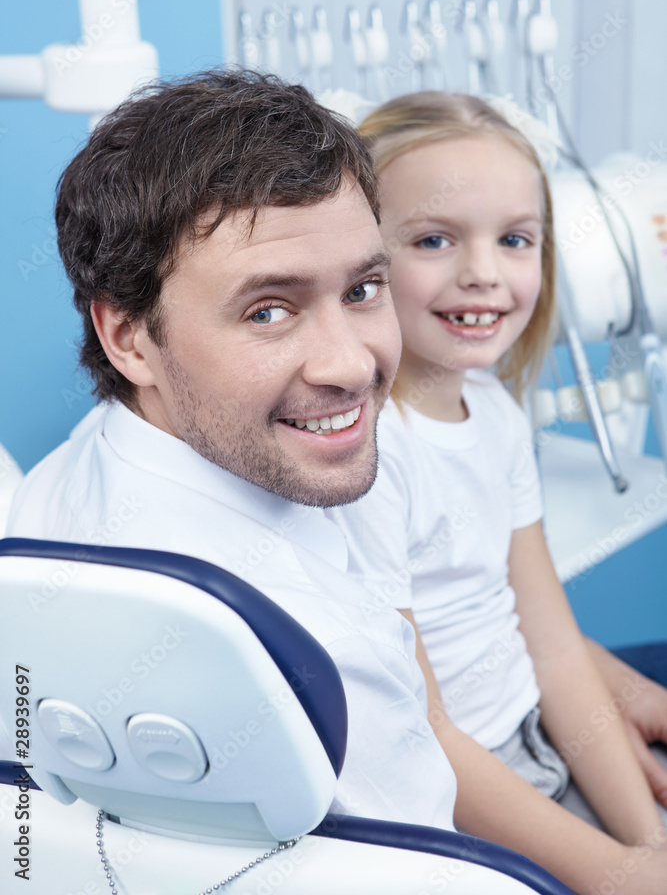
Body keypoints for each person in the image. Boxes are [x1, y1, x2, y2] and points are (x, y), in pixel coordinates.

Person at [5, 70, 458, 831]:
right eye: (268, 311)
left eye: (362, 290)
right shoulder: (318, 657)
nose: (348, 364)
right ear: (128, 337)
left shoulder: (92, 461)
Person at [328, 91, 667, 893]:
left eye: (514, 239)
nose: (481, 273)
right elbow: (420, 732)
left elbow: (548, 640)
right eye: (434, 239)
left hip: (539, 728)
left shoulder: (497, 415)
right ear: (360, 266)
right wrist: (614, 871)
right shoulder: (362, 454)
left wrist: (644, 841)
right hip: (455, 793)